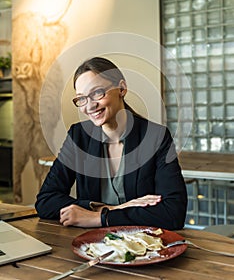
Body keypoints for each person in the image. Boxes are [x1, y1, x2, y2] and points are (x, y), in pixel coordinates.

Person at [35, 57, 187, 230]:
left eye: (97, 93)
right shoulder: (78, 136)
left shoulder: (155, 137)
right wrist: (112, 209)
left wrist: (98, 218)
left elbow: (174, 213)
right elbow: (46, 201)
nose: (90, 106)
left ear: (121, 88)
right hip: (93, 248)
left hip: (144, 247)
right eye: (82, 99)